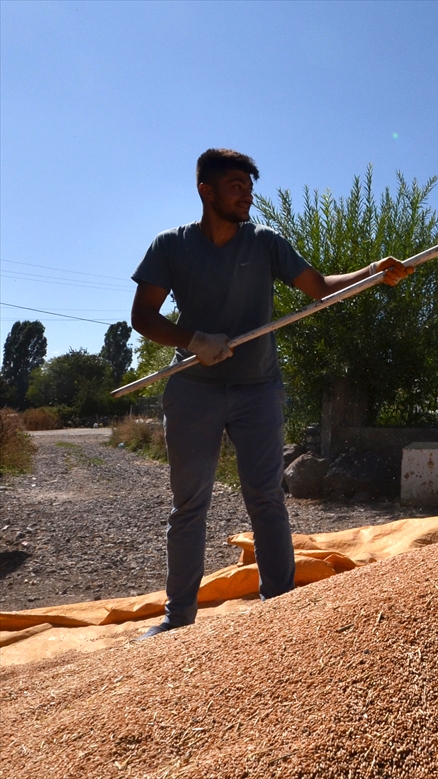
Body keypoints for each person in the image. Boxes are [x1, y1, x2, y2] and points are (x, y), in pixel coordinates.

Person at [130, 149, 412, 638]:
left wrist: (370, 272)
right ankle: (178, 620)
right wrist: (193, 340)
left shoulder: (265, 243)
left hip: (257, 388)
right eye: (236, 184)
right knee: (189, 504)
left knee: (265, 497)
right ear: (206, 191)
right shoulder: (170, 247)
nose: (246, 193)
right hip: (193, 390)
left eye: (249, 185)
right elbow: (144, 317)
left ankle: (279, 609)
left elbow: (320, 287)